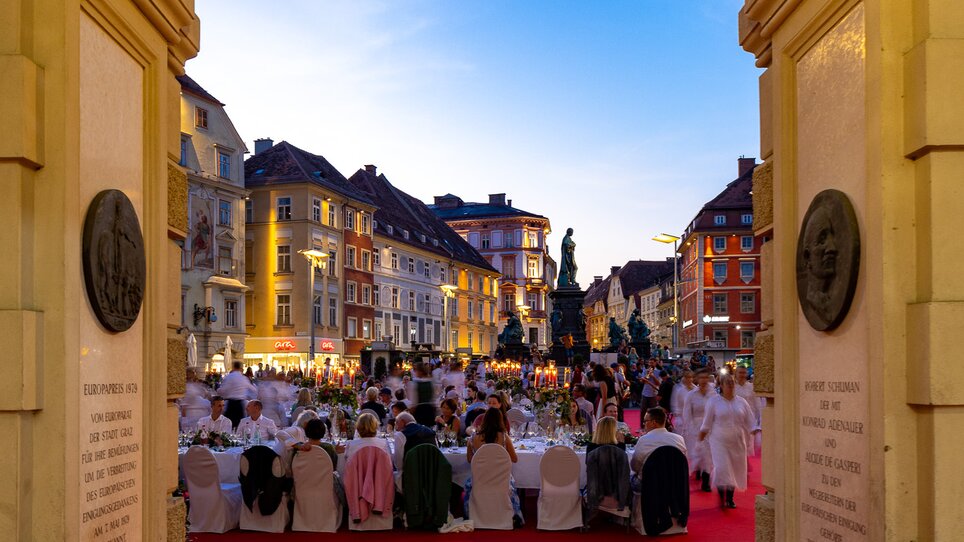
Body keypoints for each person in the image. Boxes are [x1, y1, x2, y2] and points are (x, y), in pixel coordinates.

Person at [700, 375, 759, 508]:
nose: (731, 385)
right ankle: (722, 496)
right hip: (719, 440)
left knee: (734, 468)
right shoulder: (713, 401)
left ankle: (730, 498)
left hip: (737, 440)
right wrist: (701, 438)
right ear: (721, 385)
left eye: (732, 383)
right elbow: (707, 423)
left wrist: (754, 431)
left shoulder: (742, 402)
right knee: (722, 468)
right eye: (727, 383)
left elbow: (750, 421)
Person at [464, 407, 523, 527]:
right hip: (501, 480)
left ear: (484, 420)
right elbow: (514, 459)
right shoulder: (504, 437)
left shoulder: (473, 438)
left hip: (480, 479)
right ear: (500, 420)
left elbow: (470, 460)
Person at [683, 370, 717, 492]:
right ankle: (699, 471)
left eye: (705, 377)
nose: (703, 380)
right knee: (698, 454)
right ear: (697, 379)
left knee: (708, 455)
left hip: (710, 428)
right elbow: (687, 413)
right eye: (701, 377)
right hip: (695, 428)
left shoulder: (713, 394)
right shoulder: (691, 395)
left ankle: (706, 480)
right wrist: (689, 428)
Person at [631, 407, 687, 474]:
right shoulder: (679, 439)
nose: (643, 424)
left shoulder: (643, 440)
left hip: (650, 482)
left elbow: (635, 467)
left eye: (645, 421)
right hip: (673, 481)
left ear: (653, 423)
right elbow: (683, 465)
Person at [218, 361, 257, 429]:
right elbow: (253, 390)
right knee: (240, 425)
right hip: (241, 404)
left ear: (233, 367)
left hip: (231, 404)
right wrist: (249, 398)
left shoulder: (229, 377)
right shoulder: (244, 378)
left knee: (229, 425)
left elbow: (223, 391)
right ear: (240, 368)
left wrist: (218, 391)